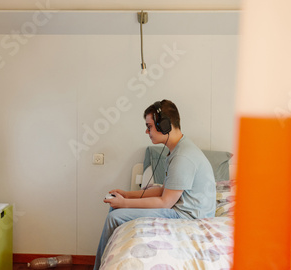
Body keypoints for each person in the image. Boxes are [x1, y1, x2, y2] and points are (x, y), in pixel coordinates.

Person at [93, 99, 216, 270]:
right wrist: (127, 194)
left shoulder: (183, 157)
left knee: (115, 216)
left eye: (149, 126)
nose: (147, 131)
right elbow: (165, 190)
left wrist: (125, 204)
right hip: (181, 209)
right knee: (116, 208)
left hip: (188, 217)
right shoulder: (178, 150)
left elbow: (165, 202)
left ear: (164, 125)